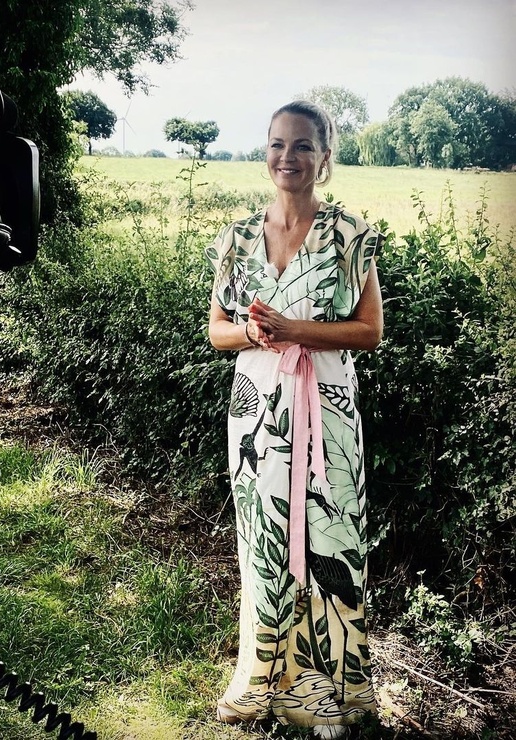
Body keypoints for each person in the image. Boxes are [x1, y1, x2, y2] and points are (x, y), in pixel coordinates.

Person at [205, 100, 383, 739]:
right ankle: (262, 680)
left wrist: (294, 329)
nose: (289, 157)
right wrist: (256, 334)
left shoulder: (350, 234)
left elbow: (369, 330)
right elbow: (216, 330)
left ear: (324, 156)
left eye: (303, 145)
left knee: (332, 542)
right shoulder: (236, 238)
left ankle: (331, 688)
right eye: (278, 144)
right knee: (264, 541)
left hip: (327, 409)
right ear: (266, 151)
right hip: (256, 410)